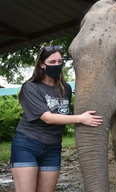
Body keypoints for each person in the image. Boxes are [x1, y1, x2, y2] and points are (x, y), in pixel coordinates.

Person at [10, 45, 103, 192]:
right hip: (27, 145)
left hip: (52, 148)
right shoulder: (31, 87)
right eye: (52, 62)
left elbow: (63, 114)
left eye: (60, 61)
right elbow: (47, 118)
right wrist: (80, 118)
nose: (57, 65)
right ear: (42, 64)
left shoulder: (65, 88)